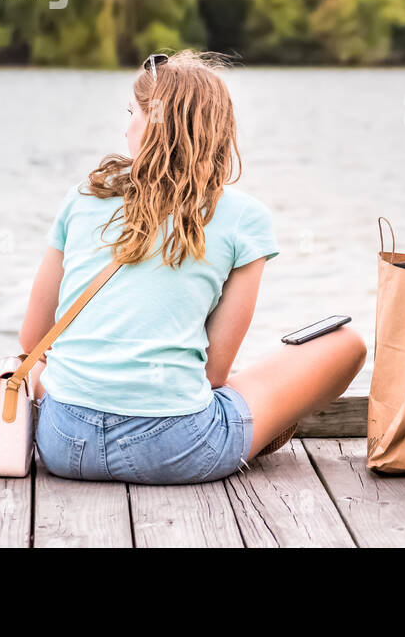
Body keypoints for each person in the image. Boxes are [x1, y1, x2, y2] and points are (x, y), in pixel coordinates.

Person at [18, 50, 365, 484]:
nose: (125, 126)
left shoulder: (83, 199)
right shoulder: (244, 217)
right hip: (177, 448)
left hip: (63, 444)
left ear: (152, 125)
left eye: (131, 113)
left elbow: (32, 340)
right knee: (347, 343)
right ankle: (261, 425)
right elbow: (216, 374)